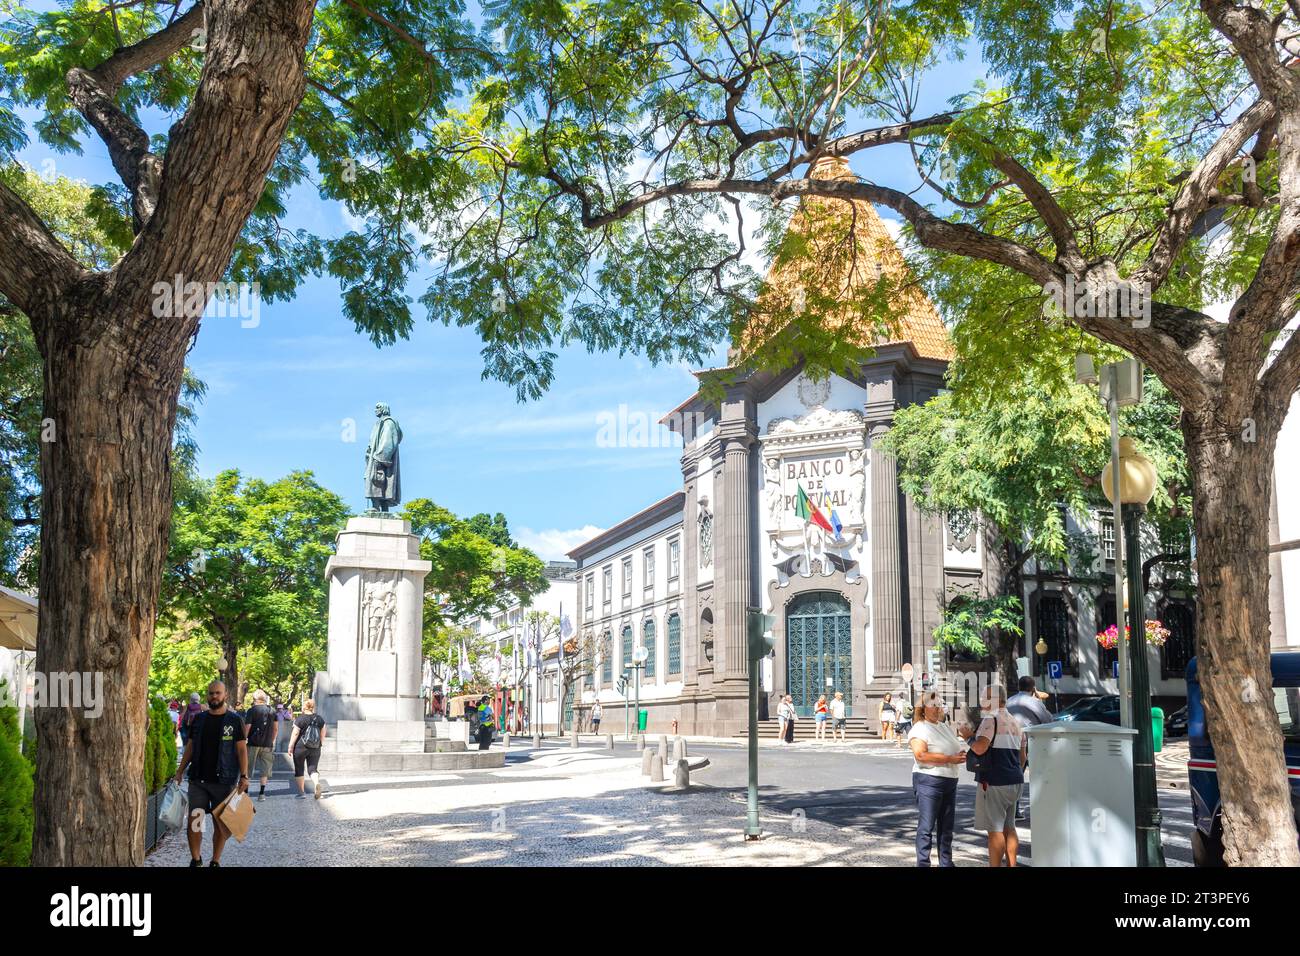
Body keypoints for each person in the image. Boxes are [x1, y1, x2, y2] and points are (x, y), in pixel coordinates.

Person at [173, 680, 248, 867]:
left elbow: (241, 751)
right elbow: (190, 747)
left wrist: (244, 776)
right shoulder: (199, 719)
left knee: (220, 825)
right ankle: (196, 859)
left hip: (224, 782)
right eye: (211, 693)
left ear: (225, 695)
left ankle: (215, 860)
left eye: (217, 693)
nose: (214, 696)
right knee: (195, 822)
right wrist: (180, 770)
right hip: (198, 780)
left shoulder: (234, 720)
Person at [967, 684, 1027, 867]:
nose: (981, 702)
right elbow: (1023, 756)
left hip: (994, 781)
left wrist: (967, 737)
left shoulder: (990, 720)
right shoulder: (1016, 722)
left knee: (995, 830)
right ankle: (1012, 865)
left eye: (984, 697)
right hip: (1015, 780)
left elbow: (980, 748)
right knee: (1010, 827)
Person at [908, 690, 967, 867]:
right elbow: (921, 755)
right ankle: (923, 863)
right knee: (927, 827)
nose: (937, 708)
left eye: (939, 704)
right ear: (923, 708)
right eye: (933, 705)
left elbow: (952, 747)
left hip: (950, 780)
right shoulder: (919, 728)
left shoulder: (943, 726)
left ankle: (946, 862)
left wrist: (959, 755)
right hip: (929, 781)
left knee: (946, 827)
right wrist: (950, 759)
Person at [1006, 675, 1053, 818]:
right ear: (1033, 688)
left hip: (1009, 740)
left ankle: (1013, 809)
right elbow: (1048, 720)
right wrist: (1039, 700)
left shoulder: (1009, 700)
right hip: (1030, 742)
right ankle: (1042, 806)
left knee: (1015, 775)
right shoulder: (1035, 702)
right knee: (1039, 774)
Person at [287, 699, 327, 799]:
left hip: (300, 747)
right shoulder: (320, 719)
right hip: (315, 747)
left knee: (299, 769)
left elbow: (295, 733)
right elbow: (323, 733)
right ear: (313, 707)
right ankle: (316, 783)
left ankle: (301, 793)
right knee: (312, 769)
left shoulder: (300, 718)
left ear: (304, 707)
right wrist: (320, 744)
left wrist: (290, 746)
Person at [243, 689, 278, 802]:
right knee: (265, 769)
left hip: (253, 743)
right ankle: (262, 794)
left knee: (247, 769)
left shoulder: (251, 710)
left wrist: (243, 739)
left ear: (254, 699)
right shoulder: (272, 711)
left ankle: (246, 794)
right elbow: (275, 728)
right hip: (267, 744)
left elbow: (247, 727)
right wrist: (271, 740)